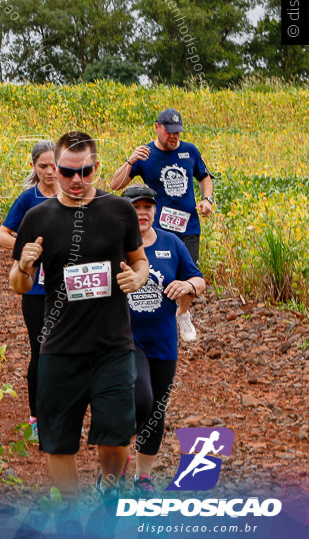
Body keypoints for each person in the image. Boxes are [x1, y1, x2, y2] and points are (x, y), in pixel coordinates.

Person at [10, 131, 149, 512]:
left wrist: (138, 277)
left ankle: (109, 491)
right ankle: (70, 517)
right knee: (59, 442)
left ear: (97, 168)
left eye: (85, 172)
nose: (76, 180)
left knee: (118, 436)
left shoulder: (119, 210)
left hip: (112, 346)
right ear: (55, 169)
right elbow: (19, 283)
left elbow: (139, 259)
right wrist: (24, 264)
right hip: (60, 349)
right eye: (68, 172)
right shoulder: (38, 217)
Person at [121, 184, 205, 497]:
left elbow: (198, 279)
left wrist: (188, 287)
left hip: (163, 340)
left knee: (157, 409)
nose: (142, 213)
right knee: (141, 398)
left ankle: (143, 477)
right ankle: (116, 457)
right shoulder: (115, 244)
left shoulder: (171, 243)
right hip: (126, 339)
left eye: (147, 207)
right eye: (135, 206)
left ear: (154, 210)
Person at [109, 108, 212, 340]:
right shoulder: (146, 153)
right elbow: (116, 184)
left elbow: (205, 177)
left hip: (188, 228)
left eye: (178, 132)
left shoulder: (190, 151)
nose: (174, 136)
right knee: (155, 275)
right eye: (169, 131)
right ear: (157, 128)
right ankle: (151, 318)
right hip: (156, 230)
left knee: (189, 277)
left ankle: (183, 313)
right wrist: (130, 160)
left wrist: (207, 200)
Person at [0, 140, 57, 438]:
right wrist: (29, 250)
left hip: (70, 289)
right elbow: (1, 235)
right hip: (35, 289)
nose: (49, 171)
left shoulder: (73, 196)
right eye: (43, 166)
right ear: (33, 167)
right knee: (41, 350)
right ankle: (36, 418)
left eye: (53, 165)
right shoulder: (28, 199)